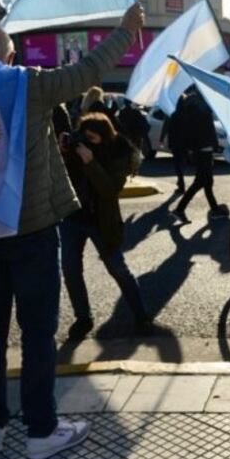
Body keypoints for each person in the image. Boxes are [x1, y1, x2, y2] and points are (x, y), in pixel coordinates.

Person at [0, 3, 144, 459]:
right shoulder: (26, 84)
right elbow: (88, 71)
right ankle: (41, 432)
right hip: (32, 230)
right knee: (38, 336)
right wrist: (125, 31)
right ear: (7, 57)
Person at [60, 112, 153, 340]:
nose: (86, 141)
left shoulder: (120, 154)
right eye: (84, 136)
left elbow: (109, 190)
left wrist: (90, 162)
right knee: (70, 270)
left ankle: (141, 315)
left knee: (117, 268)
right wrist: (63, 152)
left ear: (104, 137)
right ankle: (83, 318)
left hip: (102, 220)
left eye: (92, 138)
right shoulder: (77, 149)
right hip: (73, 217)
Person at [171, 86, 230, 223]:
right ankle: (180, 210)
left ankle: (213, 209)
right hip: (203, 149)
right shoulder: (197, 106)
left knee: (206, 182)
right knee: (201, 182)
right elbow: (203, 129)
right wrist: (210, 145)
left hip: (203, 149)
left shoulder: (196, 105)